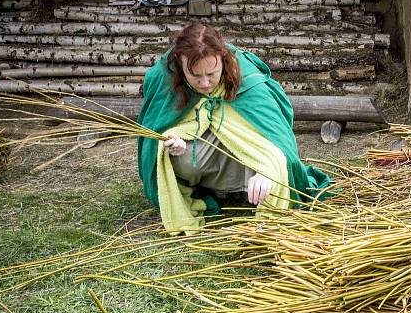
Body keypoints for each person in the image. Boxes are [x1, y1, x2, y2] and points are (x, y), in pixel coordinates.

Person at [137, 23, 330, 234]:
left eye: (211, 74)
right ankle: (210, 191)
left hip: (244, 162)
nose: (204, 83)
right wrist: (173, 142)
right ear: (181, 66)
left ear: (222, 59)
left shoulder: (245, 76)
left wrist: (268, 169)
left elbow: (278, 138)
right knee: (172, 157)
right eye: (195, 76)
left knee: (275, 169)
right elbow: (154, 137)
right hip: (204, 156)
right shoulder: (164, 80)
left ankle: (250, 188)